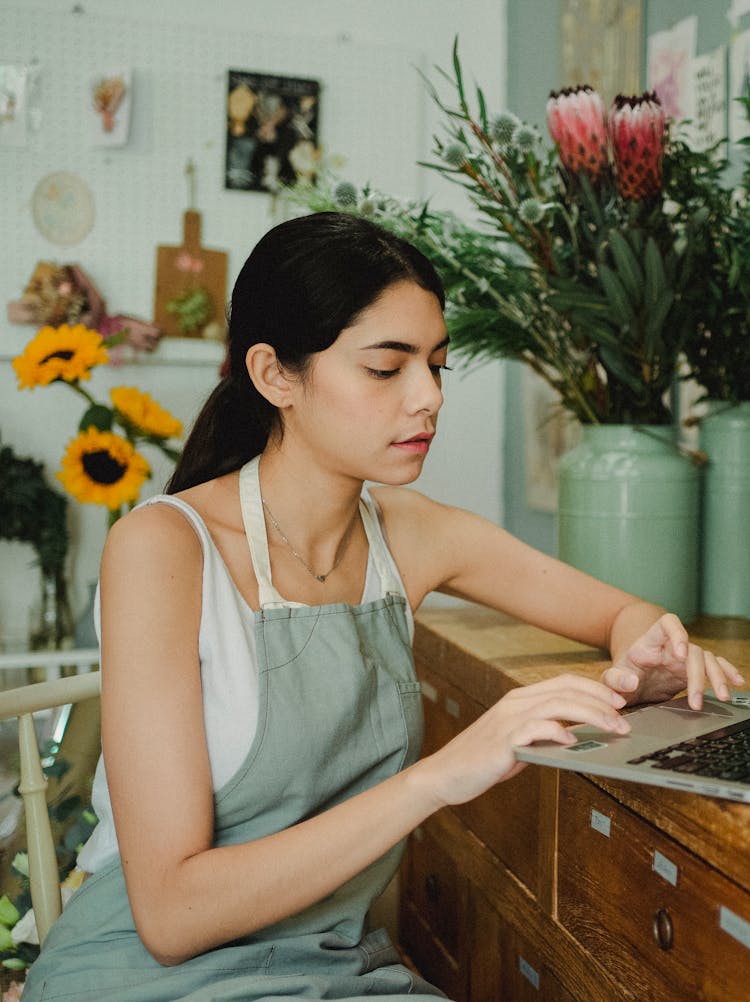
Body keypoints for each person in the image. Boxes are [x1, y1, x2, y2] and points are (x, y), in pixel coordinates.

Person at [23, 212, 743, 1002]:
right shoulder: (165, 548)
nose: (428, 398)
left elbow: (623, 613)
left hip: (331, 968)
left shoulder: (416, 534)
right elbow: (170, 917)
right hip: (144, 974)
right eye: (386, 369)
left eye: (437, 364)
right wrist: (441, 776)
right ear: (274, 376)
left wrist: (652, 657)